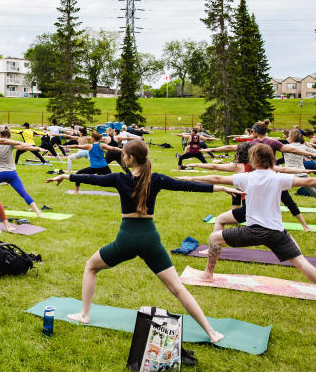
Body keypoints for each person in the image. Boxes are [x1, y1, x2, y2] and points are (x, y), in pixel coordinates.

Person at [45, 139, 242, 343]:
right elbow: (187, 186)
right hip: (150, 239)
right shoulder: (156, 179)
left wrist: (65, 175)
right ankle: (211, 332)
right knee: (177, 288)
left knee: (90, 267)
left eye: (123, 154)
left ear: (130, 159)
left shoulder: (118, 179)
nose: (122, 157)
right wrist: (221, 189)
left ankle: (84, 315)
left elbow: (90, 179)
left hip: (126, 239)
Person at [184, 144, 316, 303]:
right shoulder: (278, 178)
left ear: (253, 160)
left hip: (253, 232)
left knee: (214, 238)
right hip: (277, 232)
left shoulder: (247, 178)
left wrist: (189, 179)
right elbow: (310, 181)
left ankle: (208, 274)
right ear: (271, 160)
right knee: (301, 262)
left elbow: (217, 178)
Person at [182, 142, 316, 233]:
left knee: (237, 193)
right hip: (268, 186)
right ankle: (304, 225)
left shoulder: (238, 166)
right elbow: (285, 169)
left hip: (252, 190)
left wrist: (196, 166)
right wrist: (306, 172)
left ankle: (236, 225)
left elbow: (215, 167)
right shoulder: (262, 165)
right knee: (288, 202)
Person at [0, 125, 48, 217]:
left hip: (0, 174)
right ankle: (38, 212)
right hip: (12, 174)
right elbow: (25, 147)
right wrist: (37, 148)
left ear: (0, 134)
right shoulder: (10, 144)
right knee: (23, 193)